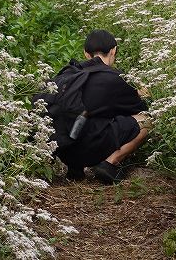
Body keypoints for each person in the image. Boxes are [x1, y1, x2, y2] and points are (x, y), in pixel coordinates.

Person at [56, 29, 151, 184]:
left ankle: (75, 168)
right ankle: (109, 163)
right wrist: (141, 94)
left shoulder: (67, 76)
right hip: (93, 148)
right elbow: (140, 108)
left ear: (86, 53)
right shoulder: (115, 78)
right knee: (146, 120)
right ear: (113, 51)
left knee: (85, 118)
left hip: (64, 150)